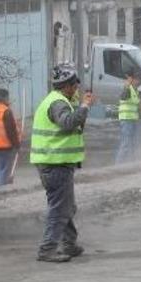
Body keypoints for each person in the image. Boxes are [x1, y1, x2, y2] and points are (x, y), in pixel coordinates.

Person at [30, 64, 93, 262]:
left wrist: (80, 109)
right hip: (55, 163)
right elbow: (67, 123)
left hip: (54, 163)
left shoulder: (57, 100)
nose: (76, 88)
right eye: (74, 84)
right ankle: (47, 249)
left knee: (66, 206)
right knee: (60, 209)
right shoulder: (58, 103)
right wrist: (84, 107)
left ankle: (69, 244)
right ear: (67, 85)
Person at [115, 70, 141, 164]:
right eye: (139, 81)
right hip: (126, 119)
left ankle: (132, 163)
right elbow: (123, 96)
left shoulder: (136, 91)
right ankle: (118, 164)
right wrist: (126, 86)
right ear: (134, 80)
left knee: (134, 143)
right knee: (126, 143)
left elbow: (135, 104)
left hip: (133, 119)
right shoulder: (128, 88)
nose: (140, 83)